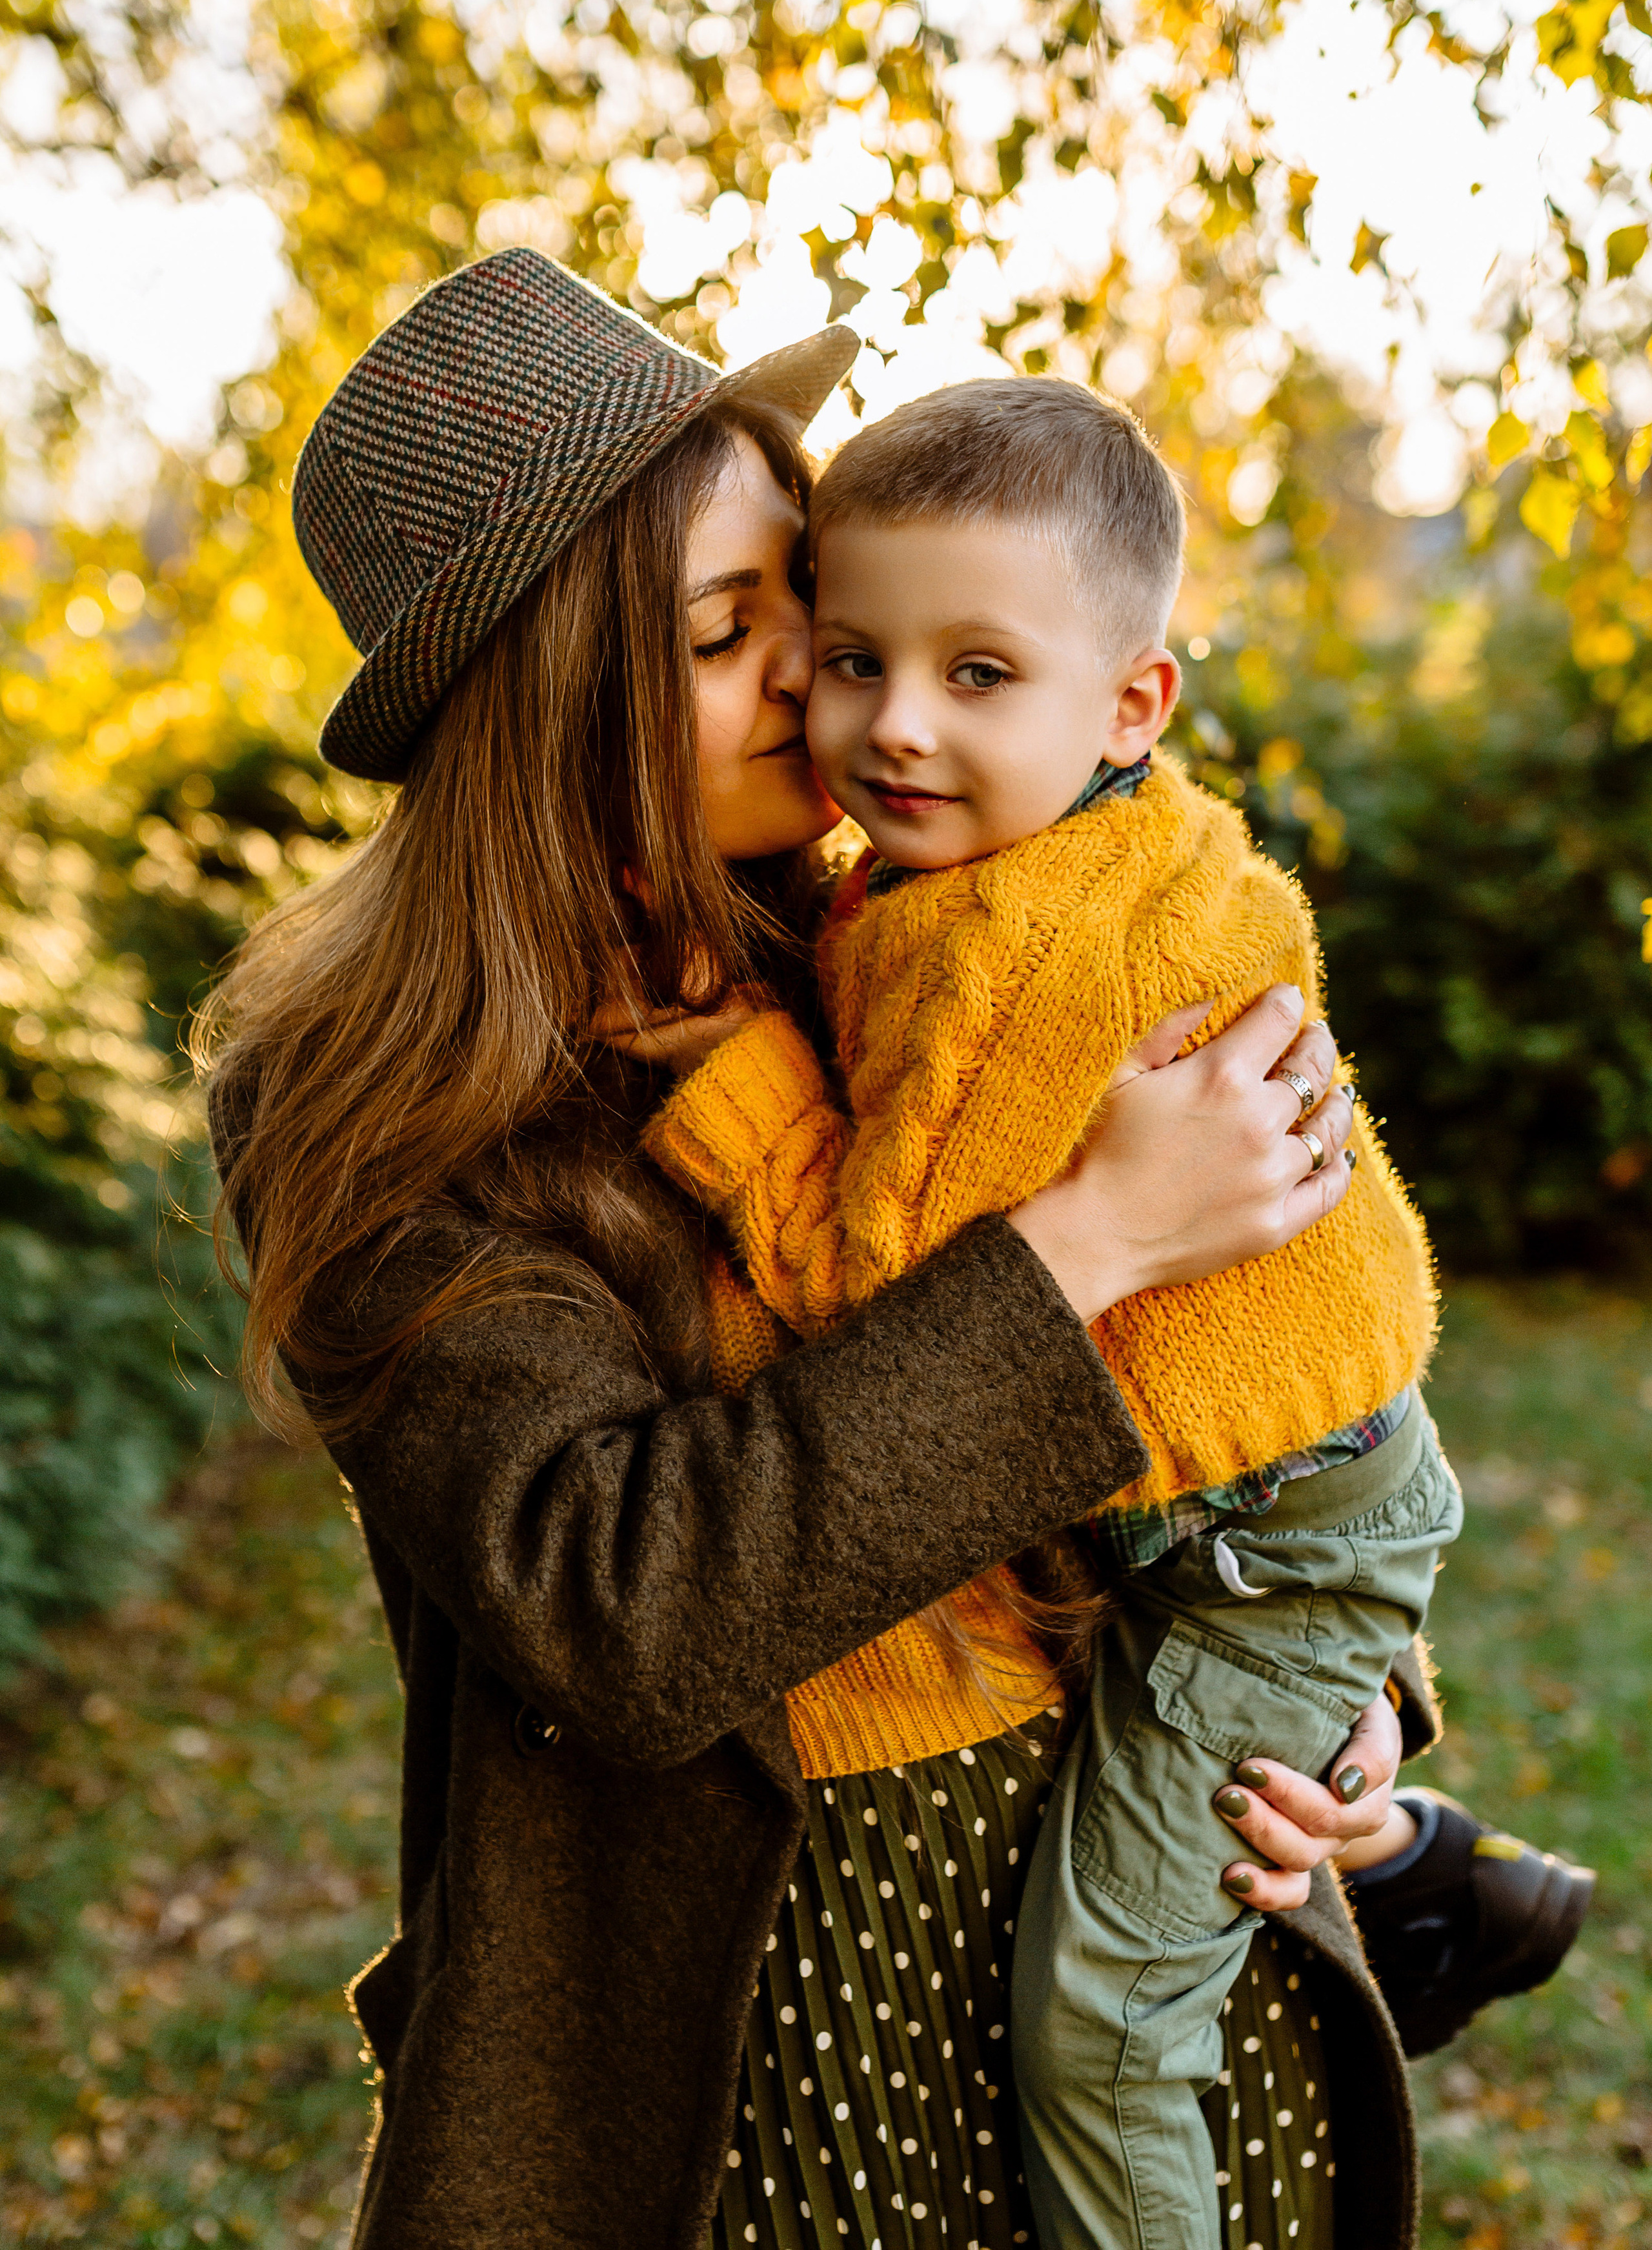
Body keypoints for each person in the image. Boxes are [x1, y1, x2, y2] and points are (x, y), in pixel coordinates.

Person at [197, 249, 1570, 2250]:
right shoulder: (376, 1097)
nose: (831, 685)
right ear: (548, 693)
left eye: (813, 611)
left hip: (1114, 1902)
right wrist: (1086, 1235)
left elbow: (1270, 1329)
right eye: (733, 631)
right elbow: (618, 1606)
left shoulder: (890, 906)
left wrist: (1335, 1706)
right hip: (755, 2025)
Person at [634, 372, 1470, 2250]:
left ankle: (1432, 1888)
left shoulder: (1024, 941)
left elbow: (896, 1298)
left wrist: (734, 1088)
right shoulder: (1037, 856)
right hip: (1283, 1481)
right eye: (853, 657)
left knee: (1104, 2018)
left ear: (1132, 702)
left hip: (1262, 1536)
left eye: (977, 676)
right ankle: (1453, 1887)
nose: (888, 725)